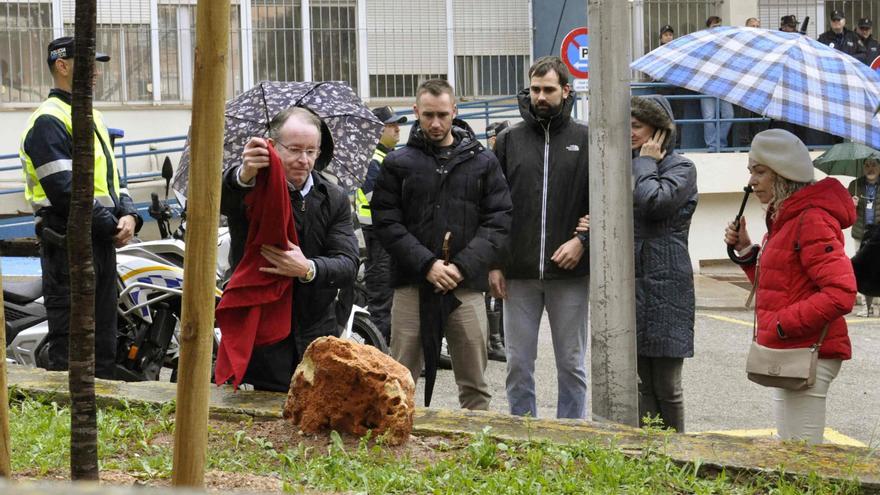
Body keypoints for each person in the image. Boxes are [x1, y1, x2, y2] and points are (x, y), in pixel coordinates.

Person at [371, 79, 512, 410]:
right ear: (416, 112)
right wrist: (427, 265)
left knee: (475, 385)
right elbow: (386, 222)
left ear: (455, 112)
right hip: (412, 285)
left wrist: (462, 266)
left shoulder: (483, 162)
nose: (435, 124)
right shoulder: (398, 163)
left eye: (443, 115)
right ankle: (396, 452)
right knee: (399, 383)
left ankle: (477, 455)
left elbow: (499, 219)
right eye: (428, 115)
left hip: (465, 286)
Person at [19, 36, 141, 379]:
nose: (97, 73)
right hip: (69, 247)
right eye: (88, 64)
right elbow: (67, 191)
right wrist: (112, 224)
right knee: (73, 346)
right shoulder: (48, 120)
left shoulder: (93, 116)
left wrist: (130, 214)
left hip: (100, 243)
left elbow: (113, 181)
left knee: (103, 342)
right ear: (62, 65)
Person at [724, 129, 855, 445]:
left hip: (810, 350)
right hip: (793, 349)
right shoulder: (784, 217)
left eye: (760, 171)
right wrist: (745, 249)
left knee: (802, 457)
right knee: (790, 449)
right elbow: (780, 285)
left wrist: (783, 324)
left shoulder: (811, 219)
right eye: (750, 172)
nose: (752, 181)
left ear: (783, 174)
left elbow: (842, 293)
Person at [220, 106, 359, 392]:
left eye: (311, 151)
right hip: (263, 333)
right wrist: (243, 174)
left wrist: (308, 268)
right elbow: (222, 200)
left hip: (317, 332)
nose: (303, 160)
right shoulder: (251, 187)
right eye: (295, 149)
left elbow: (347, 263)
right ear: (272, 146)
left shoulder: (333, 197)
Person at [491, 56, 590, 419]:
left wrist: (583, 242)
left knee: (572, 364)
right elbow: (494, 209)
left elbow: (604, 204)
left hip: (571, 275)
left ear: (566, 91)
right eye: (535, 90)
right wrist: (495, 263)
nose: (541, 97)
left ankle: (573, 436)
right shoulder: (508, 141)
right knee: (518, 364)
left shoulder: (587, 139)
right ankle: (522, 435)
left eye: (549, 89)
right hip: (518, 274)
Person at [628, 96, 697, 432]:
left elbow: (655, 202)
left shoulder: (682, 168)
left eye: (637, 126)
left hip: (668, 282)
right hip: (635, 279)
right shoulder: (626, 165)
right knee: (641, 383)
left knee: (668, 386)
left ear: (659, 132)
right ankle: (648, 455)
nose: (630, 132)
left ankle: (678, 453)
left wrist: (645, 164)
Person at [355, 105, 407, 344]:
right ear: (377, 130)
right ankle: (378, 353)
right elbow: (380, 199)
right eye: (391, 125)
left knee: (391, 297)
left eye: (398, 124)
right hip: (379, 235)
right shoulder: (372, 160)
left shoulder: (386, 157)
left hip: (388, 234)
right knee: (382, 300)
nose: (397, 129)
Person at [484, 119, 510, 363]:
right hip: (490, 238)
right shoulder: (487, 162)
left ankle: (499, 338)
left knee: (500, 296)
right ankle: (494, 340)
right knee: (492, 295)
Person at [848, 157, 880, 317]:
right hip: (861, 232)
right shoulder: (855, 186)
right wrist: (851, 204)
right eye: (867, 165)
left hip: (879, 234)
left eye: (874, 165)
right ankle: (865, 307)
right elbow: (845, 213)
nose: (870, 169)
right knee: (862, 270)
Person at [701, 16, 734, 150]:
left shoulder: (727, 44)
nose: (718, 29)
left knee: (729, 115)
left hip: (723, 84)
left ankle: (720, 143)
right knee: (709, 117)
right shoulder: (703, 44)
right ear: (708, 28)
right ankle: (712, 146)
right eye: (715, 26)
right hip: (706, 84)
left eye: (720, 26)